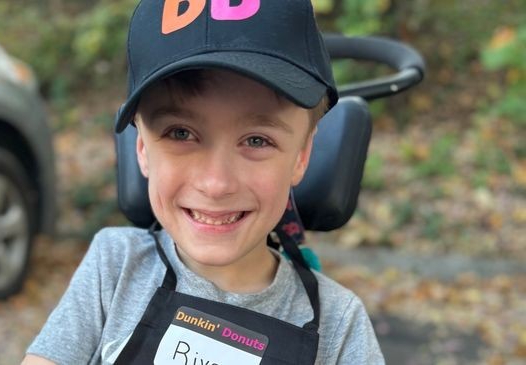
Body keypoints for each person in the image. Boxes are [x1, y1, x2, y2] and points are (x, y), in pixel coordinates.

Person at [23, 0, 384, 364]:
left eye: (257, 140)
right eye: (181, 133)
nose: (216, 183)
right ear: (142, 149)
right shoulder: (116, 268)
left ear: (301, 156)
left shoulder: (339, 326)